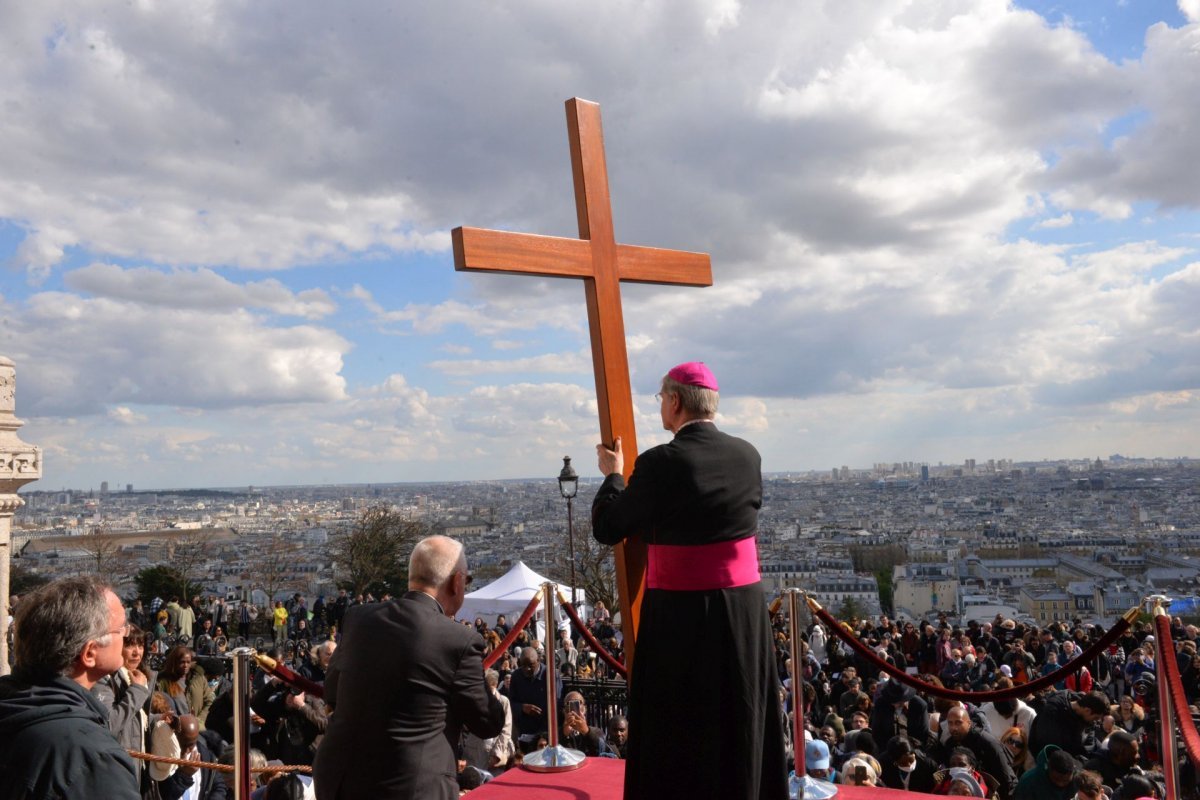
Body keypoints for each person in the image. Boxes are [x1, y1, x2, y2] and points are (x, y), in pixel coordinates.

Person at [592, 361, 788, 800]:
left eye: (662, 398)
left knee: (680, 725)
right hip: (743, 610)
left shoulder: (662, 462)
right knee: (739, 713)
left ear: (676, 401)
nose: (661, 406)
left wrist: (613, 475)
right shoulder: (748, 454)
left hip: (681, 614)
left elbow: (609, 527)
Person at [313, 535, 505, 800]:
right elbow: (488, 722)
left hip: (340, 779)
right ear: (457, 582)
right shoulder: (459, 640)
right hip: (412, 785)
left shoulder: (359, 618)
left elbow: (332, 692)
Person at [0, 575, 140, 799]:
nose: (127, 634)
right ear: (90, 653)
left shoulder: (12, 708)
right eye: (121, 628)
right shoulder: (92, 758)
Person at [92, 621, 155, 791]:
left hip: (137, 768)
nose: (137, 652)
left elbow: (134, 719)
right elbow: (109, 724)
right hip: (116, 772)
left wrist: (159, 720)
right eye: (130, 645)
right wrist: (137, 691)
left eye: (140, 645)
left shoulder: (137, 677)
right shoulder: (105, 679)